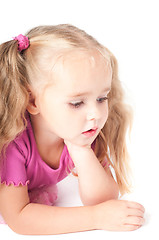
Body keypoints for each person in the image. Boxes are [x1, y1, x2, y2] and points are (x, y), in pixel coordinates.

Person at [0, 24, 145, 235]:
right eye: (77, 103)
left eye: (101, 98)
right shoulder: (14, 142)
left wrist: (80, 149)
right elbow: (19, 218)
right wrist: (96, 217)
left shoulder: (78, 130)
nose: (95, 113)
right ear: (32, 101)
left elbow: (104, 200)